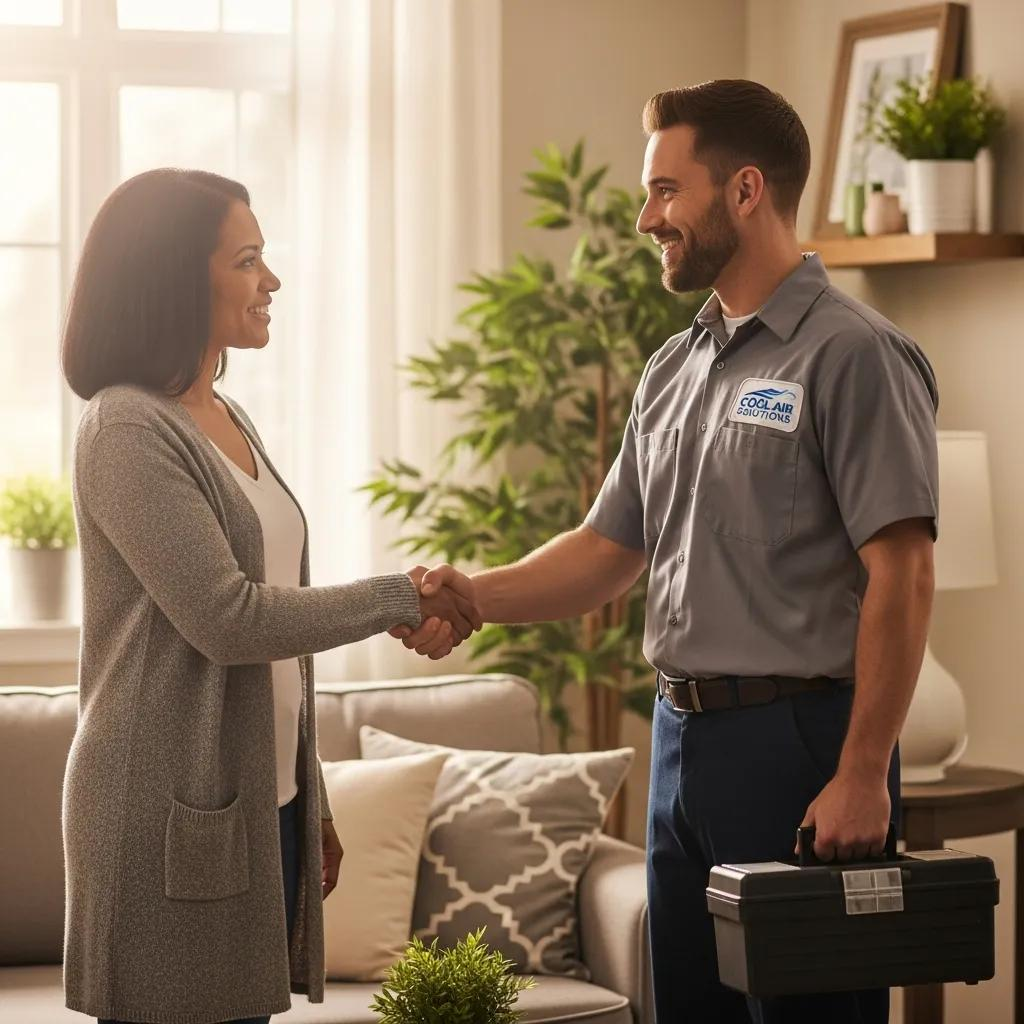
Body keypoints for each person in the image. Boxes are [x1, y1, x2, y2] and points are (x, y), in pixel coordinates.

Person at [395, 80, 938, 1023]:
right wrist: (471, 593)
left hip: (803, 749)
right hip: (681, 744)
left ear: (744, 191)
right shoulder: (673, 367)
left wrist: (861, 772)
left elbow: (904, 571)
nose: (647, 218)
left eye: (665, 192)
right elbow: (609, 550)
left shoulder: (854, 356)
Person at [59, 168, 481, 1024]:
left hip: (260, 801)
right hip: (160, 809)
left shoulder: (228, 414)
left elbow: (275, 638)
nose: (272, 281)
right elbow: (231, 619)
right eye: (248, 260)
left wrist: (309, 795)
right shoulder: (126, 427)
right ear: (177, 277)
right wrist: (399, 596)